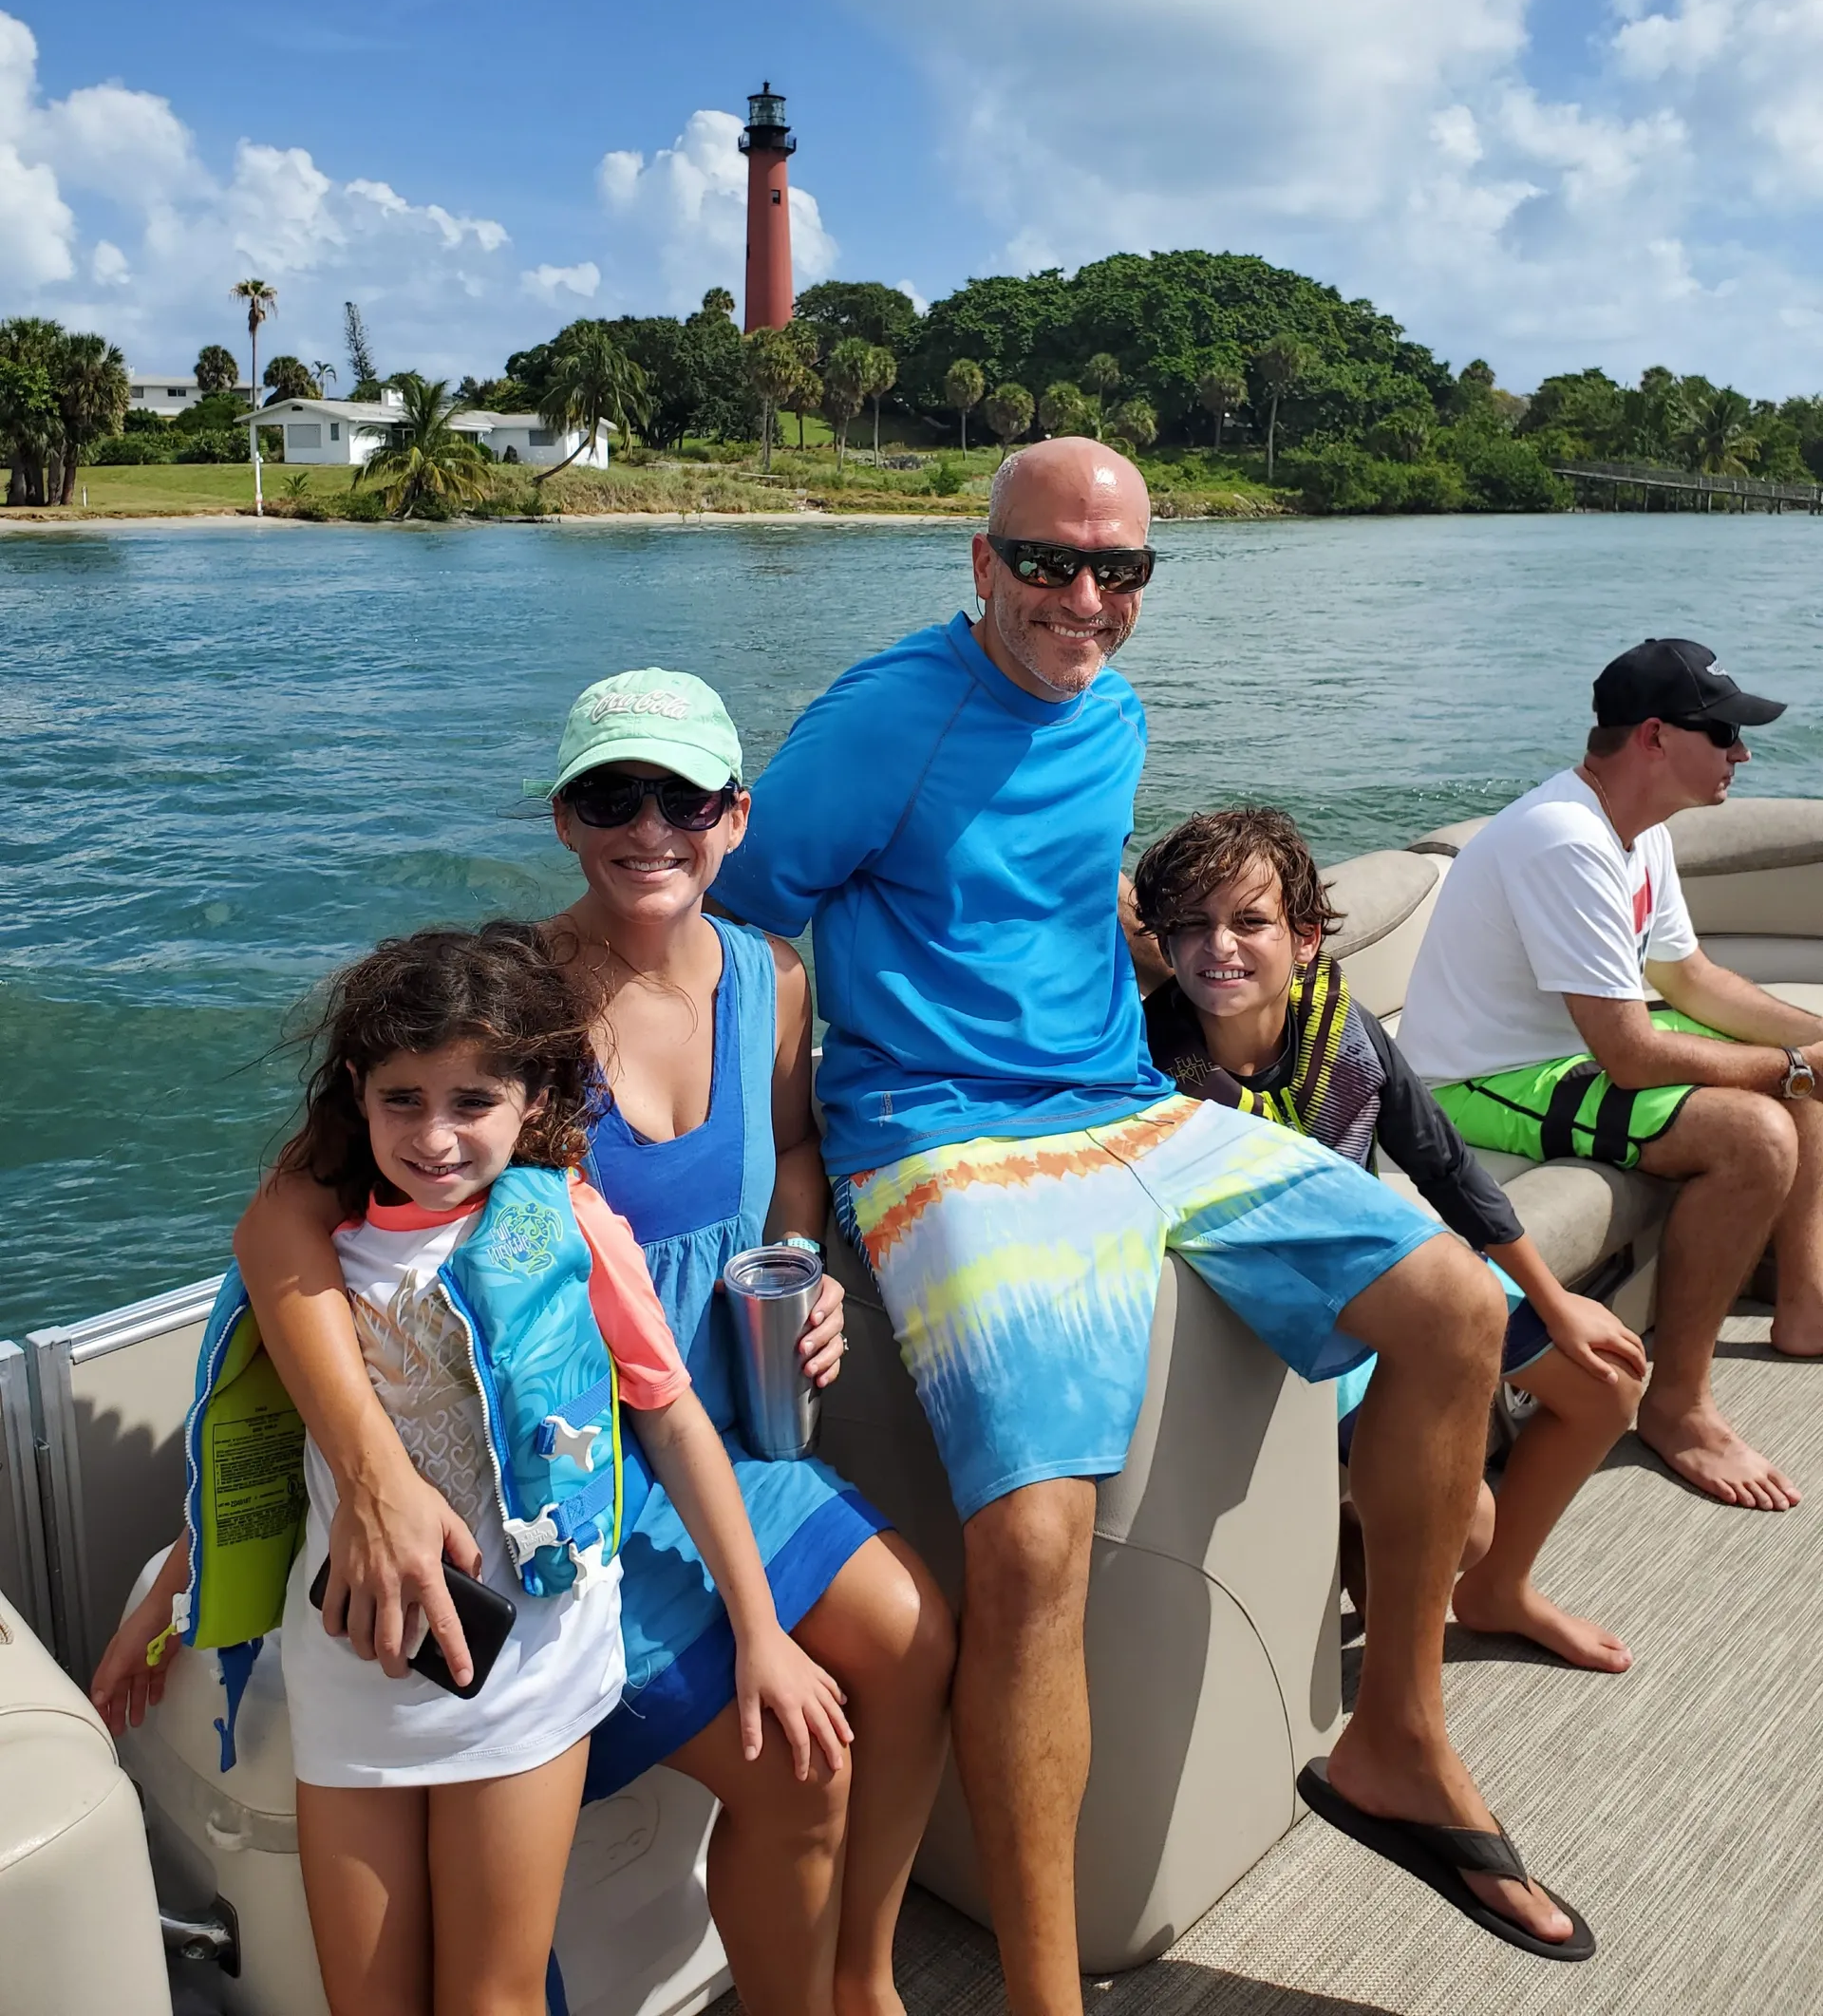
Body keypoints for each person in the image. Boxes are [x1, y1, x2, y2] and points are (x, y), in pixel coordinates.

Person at [711, 437, 1594, 2007]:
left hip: (1129, 1109)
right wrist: (780, 1173)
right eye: (1046, 562)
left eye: (1119, 570)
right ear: (980, 565)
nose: (1083, 598)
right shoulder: (881, 720)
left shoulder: (1109, 708)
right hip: (938, 1135)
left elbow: (1057, 889)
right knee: (1035, 1537)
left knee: (1459, 1309)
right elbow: (740, 922)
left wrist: (1140, 947)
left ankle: (1392, 1733)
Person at [232, 674, 954, 2016]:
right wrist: (372, 1471)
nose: (650, 828)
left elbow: (794, 1147)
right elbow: (283, 1226)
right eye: (611, 797)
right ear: (564, 819)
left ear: (736, 818)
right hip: (572, 1474)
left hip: (715, 1430)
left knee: (917, 1642)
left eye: (685, 799)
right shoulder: (508, 1006)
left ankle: (860, 1981)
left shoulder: (774, 978)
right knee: (808, 1764)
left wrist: (801, 1273)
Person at [92, 923, 849, 2016]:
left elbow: (673, 1419)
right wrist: (168, 1604)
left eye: (472, 1101)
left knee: (490, 1997)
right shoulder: (317, 1266)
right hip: (353, 1678)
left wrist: (762, 1631)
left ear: (535, 1099)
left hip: (530, 1680)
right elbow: (254, 1462)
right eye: (404, 1098)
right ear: (356, 1091)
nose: (435, 1135)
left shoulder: (576, 1229)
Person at [1131, 805, 1646, 1671]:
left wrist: (1558, 1306)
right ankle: (1372, 1538)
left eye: (1248, 922)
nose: (1218, 946)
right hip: (1296, 1312)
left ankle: (1500, 1589)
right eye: (1191, 926)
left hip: (1388, 1264)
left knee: (1609, 1385)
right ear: (1164, 944)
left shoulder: (1351, 1037)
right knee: (1463, 1522)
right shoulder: (1149, 1065)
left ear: (1303, 941)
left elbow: (1446, 1170)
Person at [1398, 637, 1823, 1514]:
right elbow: (1628, 1052)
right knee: (1756, 1129)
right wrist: (1789, 1067)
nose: (1744, 754)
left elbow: (1691, 979)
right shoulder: (1567, 839)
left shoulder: (1640, 829)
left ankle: (1805, 1308)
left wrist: (1815, 1047)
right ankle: (1678, 1408)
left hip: (1570, 1045)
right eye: (1727, 734)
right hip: (1483, 1078)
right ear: (1656, 738)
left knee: (1804, 1083)